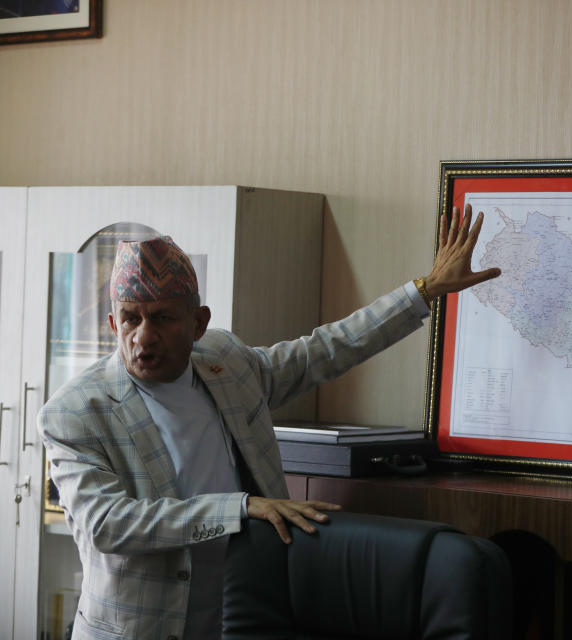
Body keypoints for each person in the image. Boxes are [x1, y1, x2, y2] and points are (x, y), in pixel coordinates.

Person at [38, 205, 500, 640]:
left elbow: (326, 350)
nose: (144, 337)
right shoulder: (75, 412)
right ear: (112, 325)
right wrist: (240, 508)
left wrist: (424, 291)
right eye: (130, 319)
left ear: (198, 323)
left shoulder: (226, 362)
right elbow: (108, 525)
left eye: (162, 318)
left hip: (248, 616)